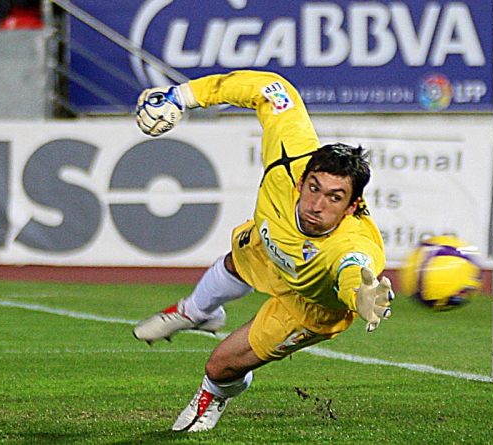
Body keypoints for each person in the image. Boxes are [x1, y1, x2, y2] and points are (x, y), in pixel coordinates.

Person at [132, 70, 394, 433]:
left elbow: (355, 270)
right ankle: (196, 312)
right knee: (237, 257)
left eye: (334, 198)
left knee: (220, 366)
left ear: (352, 206)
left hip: (309, 305)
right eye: (314, 188)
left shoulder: (352, 245)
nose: (316, 205)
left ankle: (214, 394)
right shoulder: (290, 156)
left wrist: (359, 296)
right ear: (302, 179)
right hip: (267, 247)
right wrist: (182, 96)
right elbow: (270, 89)